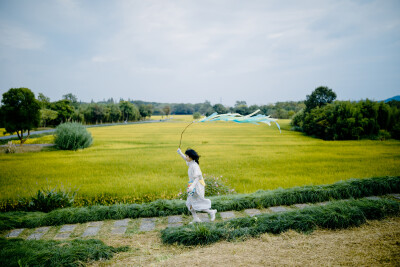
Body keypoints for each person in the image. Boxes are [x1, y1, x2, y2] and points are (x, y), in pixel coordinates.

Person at [177, 148, 217, 223]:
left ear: (191, 157)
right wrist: (180, 153)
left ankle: (211, 212)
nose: (186, 157)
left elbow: (197, 177)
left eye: (187, 156)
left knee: (196, 203)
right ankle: (196, 218)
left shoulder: (195, 166)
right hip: (192, 185)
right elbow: (185, 159)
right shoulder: (191, 163)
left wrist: (192, 187)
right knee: (189, 203)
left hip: (196, 186)